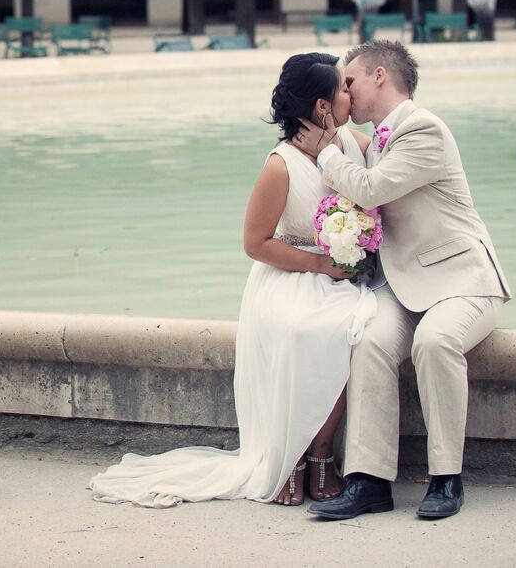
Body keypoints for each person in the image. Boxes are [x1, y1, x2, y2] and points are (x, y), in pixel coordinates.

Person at [88, 53, 376, 509]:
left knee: (351, 329)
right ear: (323, 105)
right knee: (300, 329)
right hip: (290, 273)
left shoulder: (355, 143)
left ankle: (322, 453)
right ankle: (289, 457)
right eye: (344, 88)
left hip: (344, 277)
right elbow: (255, 243)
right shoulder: (281, 166)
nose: (351, 93)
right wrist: (320, 265)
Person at [291, 40, 510, 521]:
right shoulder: (374, 140)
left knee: (434, 342)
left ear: (378, 77)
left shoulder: (423, 128)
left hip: (463, 282)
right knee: (367, 341)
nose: (342, 92)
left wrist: (326, 152)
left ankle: (446, 479)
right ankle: (369, 482)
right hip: (402, 283)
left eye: (348, 81)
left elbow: (372, 190)